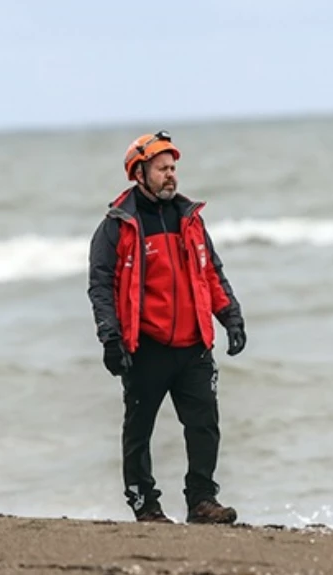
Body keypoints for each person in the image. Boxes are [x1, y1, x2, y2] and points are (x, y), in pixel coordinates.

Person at [87, 130, 247, 525]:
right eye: (162, 169)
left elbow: (211, 271)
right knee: (138, 432)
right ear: (139, 173)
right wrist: (110, 338)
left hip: (194, 347)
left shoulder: (189, 217)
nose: (170, 176)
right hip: (146, 347)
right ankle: (146, 506)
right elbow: (101, 286)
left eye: (173, 168)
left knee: (204, 426)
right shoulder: (117, 226)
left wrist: (231, 317)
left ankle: (202, 501)